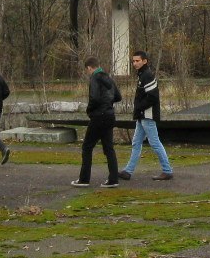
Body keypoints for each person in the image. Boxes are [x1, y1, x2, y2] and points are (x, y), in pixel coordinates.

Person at [119, 49, 173, 182]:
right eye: (133, 61)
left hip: (147, 116)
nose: (135, 63)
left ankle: (167, 170)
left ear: (145, 61)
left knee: (155, 143)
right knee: (136, 143)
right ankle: (128, 171)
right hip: (142, 115)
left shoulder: (147, 75)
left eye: (137, 61)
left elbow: (153, 97)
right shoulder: (142, 74)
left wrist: (139, 108)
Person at [72, 56, 121, 188]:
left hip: (99, 116)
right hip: (110, 116)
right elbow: (118, 96)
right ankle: (113, 179)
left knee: (87, 147)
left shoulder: (95, 77)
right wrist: (108, 102)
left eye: (87, 70)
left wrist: (89, 110)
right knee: (109, 148)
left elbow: (94, 98)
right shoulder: (108, 77)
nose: (88, 72)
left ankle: (84, 179)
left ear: (89, 68)